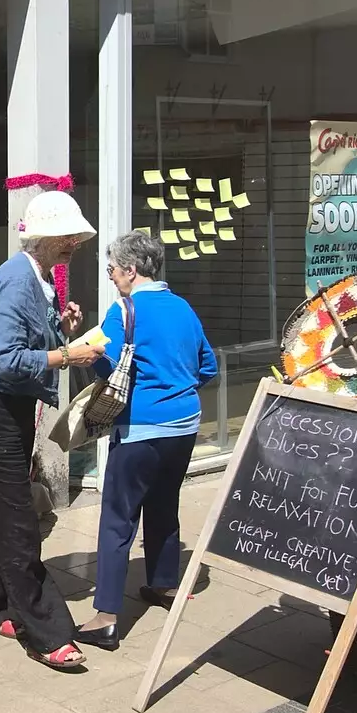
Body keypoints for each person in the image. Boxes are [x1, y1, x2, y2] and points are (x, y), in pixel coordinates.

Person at [0, 189, 102, 670]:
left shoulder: (38, 277)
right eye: (67, 236)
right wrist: (68, 354)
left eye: (75, 237)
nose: (73, 244)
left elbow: (23, 341)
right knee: (18, 520)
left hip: (6, 407)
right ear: (42, 238)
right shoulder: (19, 279)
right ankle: (46, 630)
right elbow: (5, 361)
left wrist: (60, 326)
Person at [75, 232, 217, 652]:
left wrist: (86, 348)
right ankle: (164, 585)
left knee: (118, 519)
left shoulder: (125, 309)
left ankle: (105, 617)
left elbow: (108, 365)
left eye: (113, 269)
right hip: (185, 426)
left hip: (140, 430)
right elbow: (208, 367)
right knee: (163, 504)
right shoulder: (183, 308)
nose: (112, 277)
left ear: (131, 270)